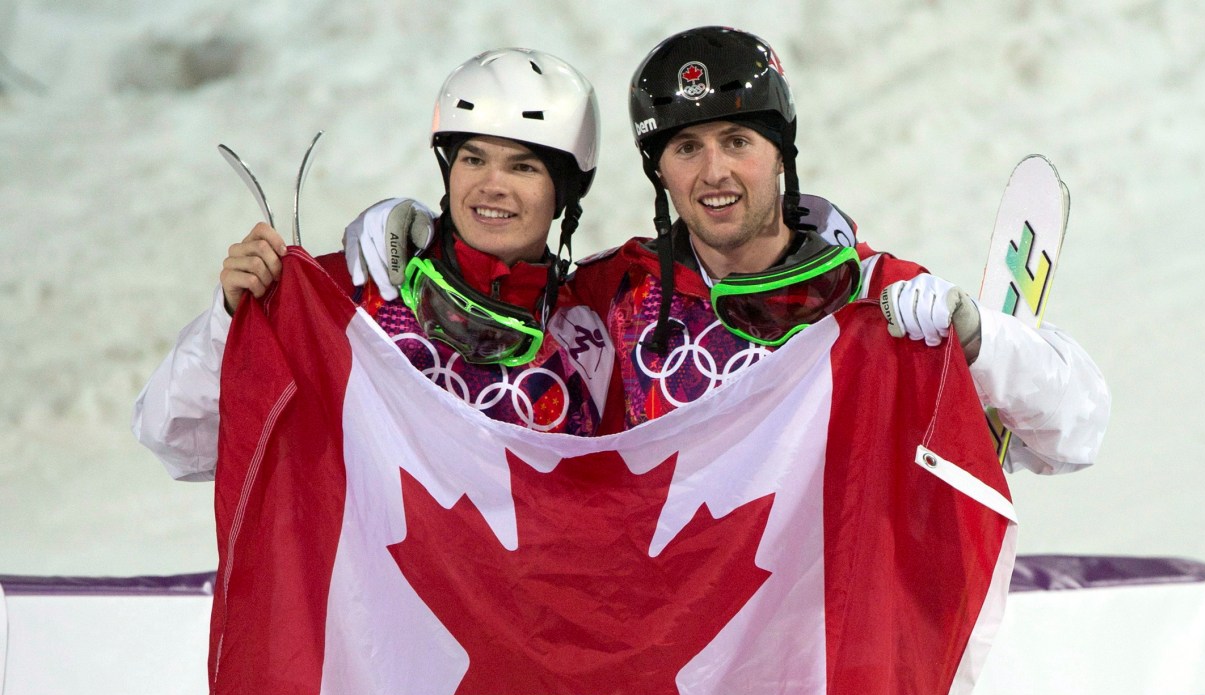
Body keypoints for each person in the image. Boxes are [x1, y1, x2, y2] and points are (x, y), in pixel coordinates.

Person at [561, 26, 1109, 473]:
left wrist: (980, 339)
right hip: (684, 603)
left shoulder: (874, 295)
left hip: (836, 606)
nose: (714, 172)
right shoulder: (618, 295)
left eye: (737, 141)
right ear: (658, 172)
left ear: (781, 154)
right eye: (686, 148)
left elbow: (1076, 433)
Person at [133, 48, 614, 481]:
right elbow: (178, 438)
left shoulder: (588, 337)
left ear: (565, 191)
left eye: (523, 166)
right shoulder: (357, 289)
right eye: (472, 159)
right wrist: (232, 323)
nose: (492, 186)